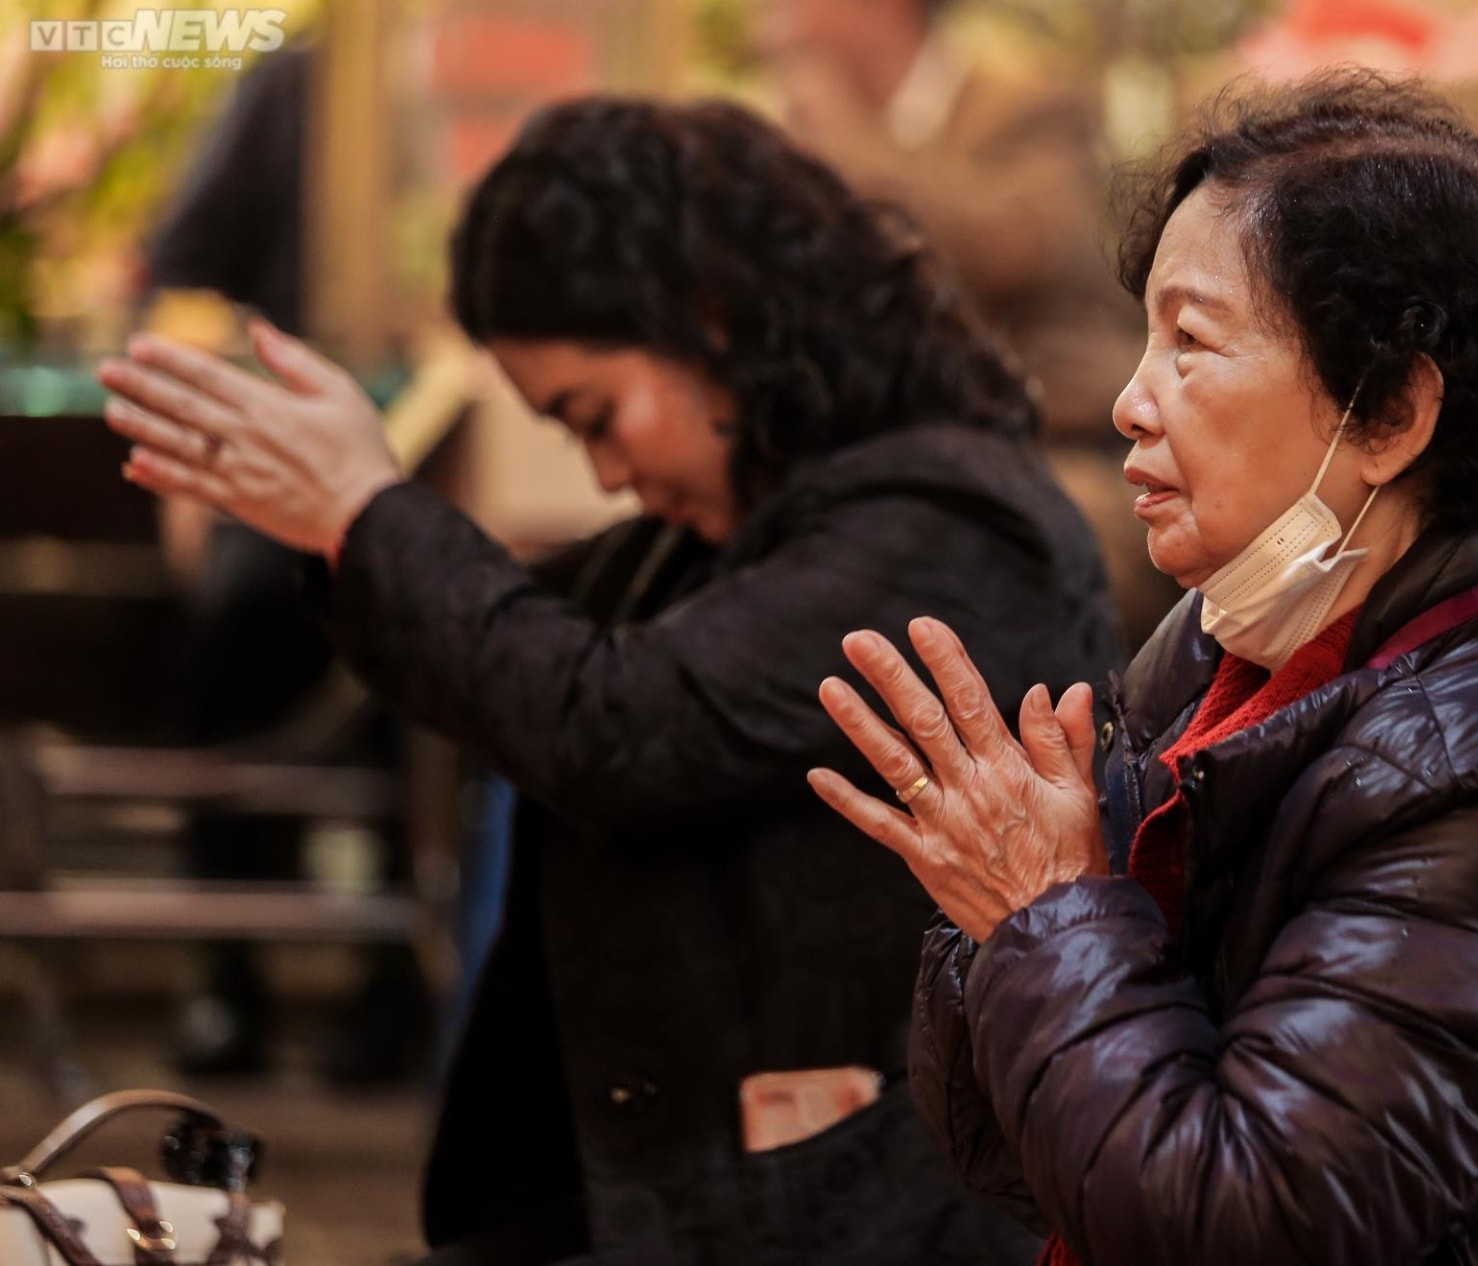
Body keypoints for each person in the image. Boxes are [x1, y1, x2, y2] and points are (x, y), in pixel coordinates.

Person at [97, 97, 1123, 1264]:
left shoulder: (952, 521)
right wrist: (342, 524)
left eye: (598, 416)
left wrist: (359, 510)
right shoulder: (731, 531)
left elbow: (612, 718)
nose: (607, 471)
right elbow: (520, 651)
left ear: (714, 319)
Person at [809, 73, 1478, 1265]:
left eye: (1193, 342)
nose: (1128, 402)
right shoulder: (1223, 648)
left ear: (1389, 414)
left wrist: (1042, 911)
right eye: (1142, 339)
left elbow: (1247, 1224)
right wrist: (1007, 908)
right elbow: (1030, 1155)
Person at [140, 44, 429, 1082]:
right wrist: (191, 459)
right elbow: (183, 271)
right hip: (286, 487)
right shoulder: (299, 83)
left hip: (452, 481)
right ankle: (230, 977)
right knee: (236, 660)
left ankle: (392, 985)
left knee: (428, 707)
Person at [756, 0, 1180, 647]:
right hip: (892, 451)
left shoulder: (1025, 101)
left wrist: (851, 143)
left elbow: (1015, 247)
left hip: (1056, 439)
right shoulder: (810, 130)